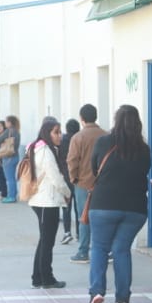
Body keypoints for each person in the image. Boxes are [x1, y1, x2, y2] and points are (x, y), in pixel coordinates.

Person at [86, 105, 151, 303]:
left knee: (99, 247)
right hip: (135, 208)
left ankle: (97, 292)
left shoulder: (103, 142)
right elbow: (145, 171)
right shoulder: (143, 148)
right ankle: (123, 298)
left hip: (103, 205)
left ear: (116, 120)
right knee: (122, 250)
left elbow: (94, 168)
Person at [27, 117, 71, 289]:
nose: (60, 136)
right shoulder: (45, 151)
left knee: (44, 240)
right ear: (47, 133)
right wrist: (67, 192)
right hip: (46, 200)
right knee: (47, 241)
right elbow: (56, 178)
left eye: (60, 132)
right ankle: (47, 278)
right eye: (56, 132)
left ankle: (38, 277)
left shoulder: (37, 147)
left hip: (42, 199)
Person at [66, 104, 107, 263]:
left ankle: (83, 251)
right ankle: (104, 250)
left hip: (83, 184)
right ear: (96, 116)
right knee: (103, 217)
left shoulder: (78, 137)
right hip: (104, 184)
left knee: (84, 217)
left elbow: (72, 161)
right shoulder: (106, 135)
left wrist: (74, 179)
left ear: (81, 118)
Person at [59, 118, 80, 244]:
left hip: (65, 178)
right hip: (78, 178)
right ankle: (79, 233)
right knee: (79, 207)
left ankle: (67, 232)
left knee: (66, 206)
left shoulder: (61, 141)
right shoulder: (79, 139)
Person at [0, 115, 21, 203]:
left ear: (10, 122)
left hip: (8, 156)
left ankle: (11, 196)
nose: (5, 123)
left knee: (9, 178)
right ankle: (13, 195)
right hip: (15, 156)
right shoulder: (17, 131)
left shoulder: (8, 131)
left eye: (6, 121)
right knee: (12, 178)